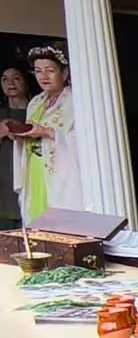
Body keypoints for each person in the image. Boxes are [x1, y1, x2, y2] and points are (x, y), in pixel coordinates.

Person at [6, 46, 82, 223]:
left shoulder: (76, 100)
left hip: (62, 169)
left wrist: (47, 132)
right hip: (35, 166)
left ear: (64, 73)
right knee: (35, 215)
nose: (43, 76)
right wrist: (19, 135)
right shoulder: (35, 102)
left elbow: (84, 138)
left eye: (50, 70)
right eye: (38, 71)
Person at [0, 67, 32, 229]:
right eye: (5, 79)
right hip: (5, 188)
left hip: (32, 180)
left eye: (16, 78)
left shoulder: (39, 110)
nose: (10, 83)